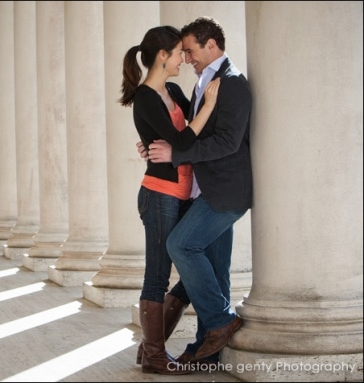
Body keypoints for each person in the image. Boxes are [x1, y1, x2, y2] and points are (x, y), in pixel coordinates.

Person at [138, 16, 253, 370]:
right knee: (217, 272)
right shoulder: (204, 81)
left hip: (224, 192)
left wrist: (177, 153)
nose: (186, 59)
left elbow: (226, 142)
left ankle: (219, 321)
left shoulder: (231, 83)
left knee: (180, 245)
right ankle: (209, 350)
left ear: (211, 46)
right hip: (202, 191)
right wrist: (161, 146)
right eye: (181, 52)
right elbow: (186, 132)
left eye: (190, 51)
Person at [118, 25, 220, 375]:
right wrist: (209, 103)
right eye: (179, 52)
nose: (183, 58)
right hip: (159, 195)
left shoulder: (174, 89)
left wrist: (177, 143)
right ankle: (156, 356)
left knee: (196, 261)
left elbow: (183, 142)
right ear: (163, 56)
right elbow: (182, 139)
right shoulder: (145, 97)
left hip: (184, 193)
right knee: (158, 275)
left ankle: (150, 347)